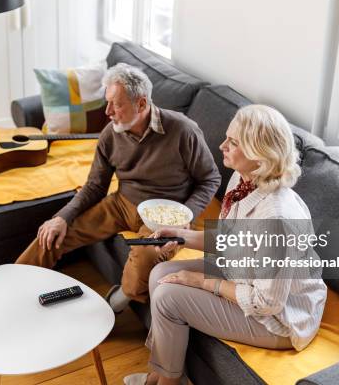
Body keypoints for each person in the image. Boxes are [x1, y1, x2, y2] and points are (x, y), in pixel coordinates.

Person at [0, 63, 221, 335]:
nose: (108, 112)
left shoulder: (183, 130)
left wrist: (183, 216)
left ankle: (115, 303)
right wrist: (62, 217)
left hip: (166, 215)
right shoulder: (111, 134)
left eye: (116, 104)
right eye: (107, 102)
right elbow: (94, 186)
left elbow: (210, 178)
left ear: (142, 104)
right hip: (121, 204)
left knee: (147, 254)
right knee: (50, 236)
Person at [124, 105, 327, 385]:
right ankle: (162, 373)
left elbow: (267, 302)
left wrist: (201, 281)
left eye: (233, 142)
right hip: (244, 275)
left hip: (282, 318)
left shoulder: (278, 218)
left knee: (169, 295)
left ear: (259, 154)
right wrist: (181, 235)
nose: (222, 145)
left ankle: (166, 383)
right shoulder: (244, 179)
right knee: (160, 274)